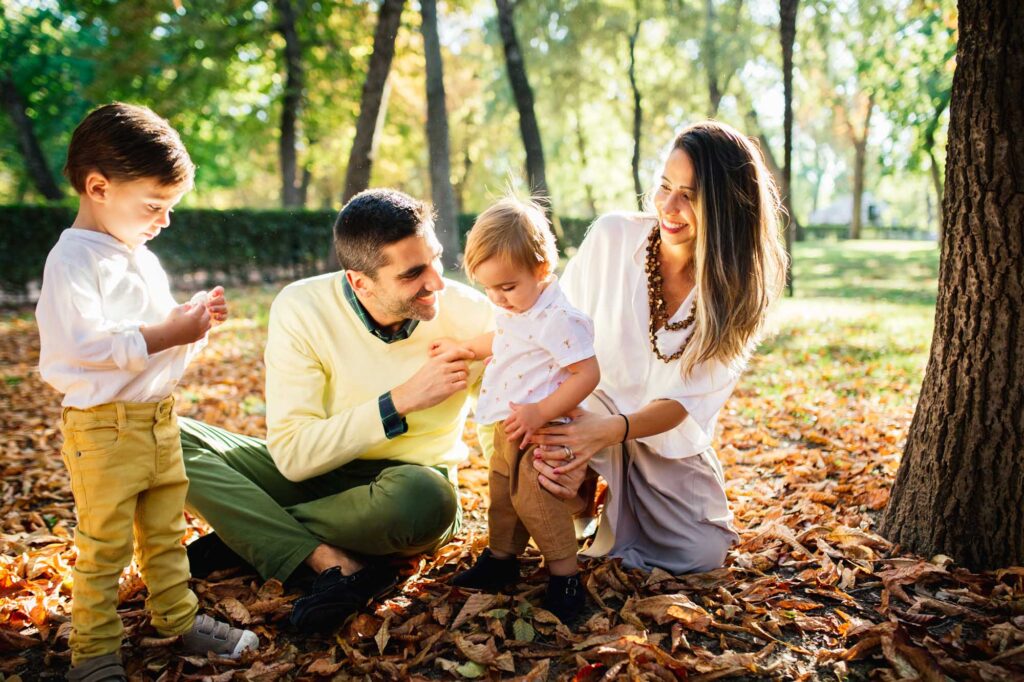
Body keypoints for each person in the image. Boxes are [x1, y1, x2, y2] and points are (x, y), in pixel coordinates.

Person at [177, 188, 494, 632]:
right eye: (413, 273)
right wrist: (399, 401)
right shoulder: (302, 307)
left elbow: (504, 418)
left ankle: (248, 536)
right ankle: (328, 559)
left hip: (404, 488)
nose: (437, 281)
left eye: (436, 258)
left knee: (426, 502)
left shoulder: (474, 315)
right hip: (316, 476)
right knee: (160, 436)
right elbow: (292, 457)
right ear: (359, 282)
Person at [36, 103, 258, 682]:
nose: (163, 220)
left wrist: (191, 327)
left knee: (165, 533)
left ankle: (178, 617)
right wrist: (166, 331)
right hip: (103, 429)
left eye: (170, 208)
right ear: (99, 187)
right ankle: (94, 652)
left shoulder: (142, 257)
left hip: (158, 421)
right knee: (104, 545)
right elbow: (83, 343)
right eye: (154, 206)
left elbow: (156, 347)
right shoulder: (72, 260)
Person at [528, 121, 788, 575]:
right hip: (586, 404)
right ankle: (585, 502)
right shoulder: (613, 238)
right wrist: (569, 430)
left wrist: (606, 432)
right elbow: (555, 332)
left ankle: (616, 508)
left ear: (726, 206)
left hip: (660, 437)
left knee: (701, 554)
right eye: (665, 186)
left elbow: (683, 403)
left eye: (691, 195)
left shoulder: (739, 292)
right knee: (545, 469)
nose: (669, 206)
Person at [435, 198, 599, 622]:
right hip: (508, 425)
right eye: (488, 288)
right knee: (502, 496)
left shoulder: (558, 318)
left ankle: (565, 576)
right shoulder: (517, 308)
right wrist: (465, 349)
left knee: (536, 501)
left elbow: (587, 374)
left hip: (543, 429)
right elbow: (502, 339)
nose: (498, 298)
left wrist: (542, 410)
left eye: (506, 287)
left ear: (541, 269)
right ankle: (502, 559)